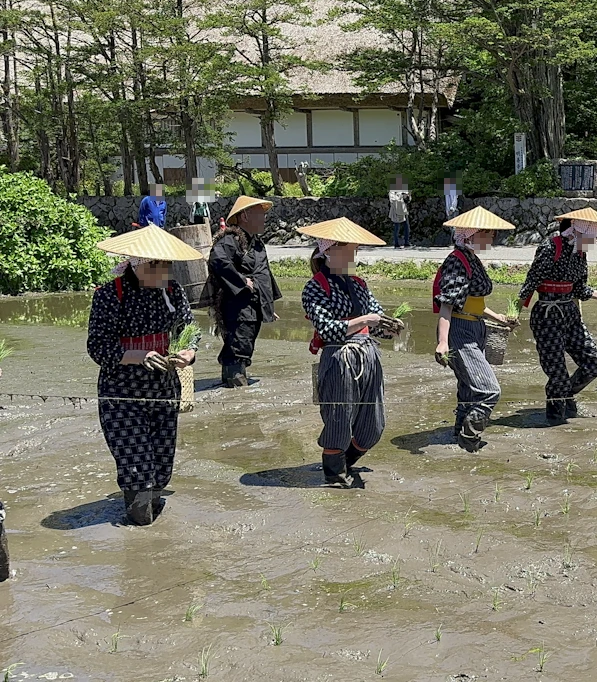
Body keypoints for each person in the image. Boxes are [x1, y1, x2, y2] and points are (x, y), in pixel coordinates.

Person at [87, 225, 203, 525]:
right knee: (135, 459)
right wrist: (140, 356)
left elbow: (188, 332)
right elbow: (98, 347)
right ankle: (140, 520)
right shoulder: (110, 295)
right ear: (137, 264)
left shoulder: (173, 292)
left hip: (164, 387)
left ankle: (150, 510)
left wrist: (187, 354)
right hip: (122, 391)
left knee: (162, 459)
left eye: (167, 264)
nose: (163, 270)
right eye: (156, 264)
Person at [298, 217, 404, 487]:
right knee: (338, 419)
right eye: (346, 251)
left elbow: (376, 319)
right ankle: (333, 474)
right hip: (339, 359)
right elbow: (327, 329)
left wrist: (389, 327)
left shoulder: (359, 284)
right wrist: (365, 321)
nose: (351, 256)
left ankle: (346, 461)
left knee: (374, 424)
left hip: (368, 356)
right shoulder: (315, 287)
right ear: (328, 251)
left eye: (353, 251)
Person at [517, 207, 597, 423]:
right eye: (592, 237)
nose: (593, 242)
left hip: (570, 314)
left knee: (595, 363)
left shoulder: (580, 253)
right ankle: (555, 420)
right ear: (577, 232)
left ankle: (566, 396)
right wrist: (513, 313)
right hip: (547, 316)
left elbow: (579, 288)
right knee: (558, 376)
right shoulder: (550, 248)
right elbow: (530, 283)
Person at [434, 207, 519, 449]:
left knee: (469, 389)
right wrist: (443, 341)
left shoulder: (471, 258)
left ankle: (458, 437)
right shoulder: (456, 262)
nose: (492, 238)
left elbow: (473, 303)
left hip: (475, 326)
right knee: (489, 390)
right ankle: (469, 438)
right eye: (488, 233)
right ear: (471, 235)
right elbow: (447, 305)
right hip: (459, 331)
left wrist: (499, 318)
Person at [208, 196, 282, 387]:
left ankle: (233, 384)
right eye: (260, 214)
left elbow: (265, 274)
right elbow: (218, 260)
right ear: (245, 216)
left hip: (253, 307)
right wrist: (242, 280)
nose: (265, 218)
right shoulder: (230, 240)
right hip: (238, 308)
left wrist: (267, 303)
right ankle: (236, 388)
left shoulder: (257, 243)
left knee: (245, 346)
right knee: (238, 348)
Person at [389, 176, 411, 249]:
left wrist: (407, 197)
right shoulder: (392, 191)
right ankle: (396, 243)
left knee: (406, 226)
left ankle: (407, 243)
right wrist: (400, 197)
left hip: (404, 210)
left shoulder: (404, 189)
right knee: (397, 227)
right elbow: (392, 200)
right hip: (396, 210)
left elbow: (408, 200)